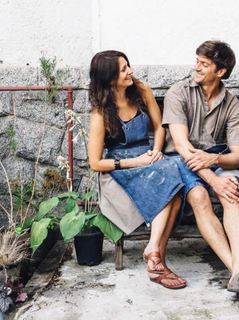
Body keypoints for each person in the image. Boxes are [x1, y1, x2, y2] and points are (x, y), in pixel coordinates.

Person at [162, 40, 239, 307]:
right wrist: (214, 179)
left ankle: (238, 274)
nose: (197, 68)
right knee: (201, 196)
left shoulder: (232, 104)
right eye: (197, 61)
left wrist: (215, 159)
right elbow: (181, 147)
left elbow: (238, 156)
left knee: (231, 194)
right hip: (179, 161)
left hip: (215, 158)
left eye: (204, 64)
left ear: (221, 71)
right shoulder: (177, 92)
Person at [88, 50, 186, 289]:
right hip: (121, 168)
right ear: (110, 78)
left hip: (148, 157)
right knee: (173, 191)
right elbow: (95, 163)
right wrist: (136, 162)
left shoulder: (141, 90)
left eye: (128, 66)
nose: (130, 71)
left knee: (173, 176)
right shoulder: (100, 114)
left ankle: (154, 253)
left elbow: (159, 125)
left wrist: (156, 150)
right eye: (123, 69)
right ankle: (157, 259)